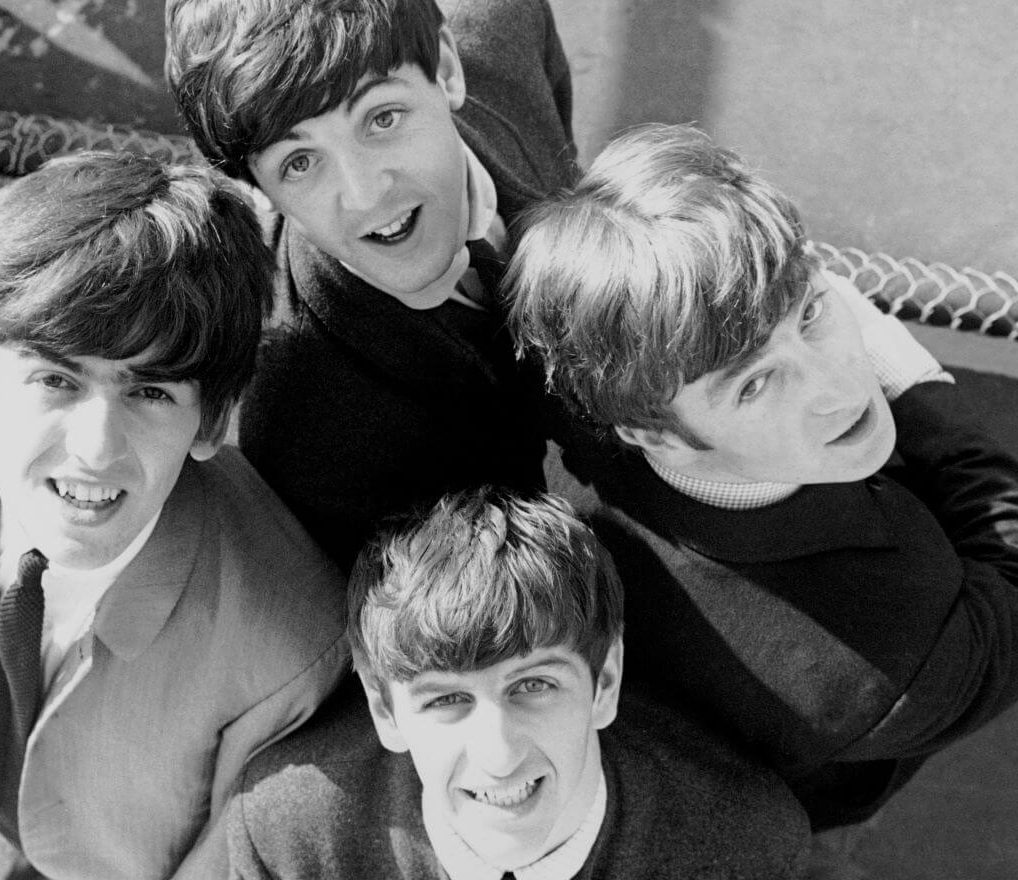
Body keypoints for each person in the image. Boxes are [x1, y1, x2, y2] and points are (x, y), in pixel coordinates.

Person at [0, 151, 349, 879]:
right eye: (55, 378)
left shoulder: (288, 645)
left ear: (210, 425)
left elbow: (232, 852)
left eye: (150, 394)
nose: (95, 449)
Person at [506, 123, 1018, 830]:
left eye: (810, 310)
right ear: (651, 433)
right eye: (753, 385)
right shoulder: (884, 664)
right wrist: (911, 377)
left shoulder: (585, 366)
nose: (840, 387)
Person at [164, 0, 579, 568]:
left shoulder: (501, 23)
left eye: (381, 118)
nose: (364, 194)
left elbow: (565, 155)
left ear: (449, 70)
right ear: (259, 193)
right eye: (300, 163)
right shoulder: (307, 437)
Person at [224, 487, 811, 879]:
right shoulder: (291, 836)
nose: (500, 754)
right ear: (386, 710)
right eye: (447, 699)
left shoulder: (745, 841)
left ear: (604, 682)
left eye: (533, 686)